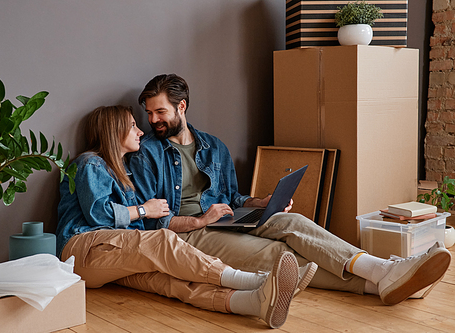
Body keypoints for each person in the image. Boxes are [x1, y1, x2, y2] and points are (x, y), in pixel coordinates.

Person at [128, 73, 452, 306]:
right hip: (190, 233)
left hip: (227, 217)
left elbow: (234, 197)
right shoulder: (147, 155)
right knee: (278, 256)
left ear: (181, 107)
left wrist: (261, 201)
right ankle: (382, 278)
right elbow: (151, 222)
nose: (153, 119)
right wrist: (200, 221)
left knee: (293, 222)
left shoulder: (213, 146)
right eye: (149, 113)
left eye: (160, 111)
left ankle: (383, 272)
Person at [55, 105, 307, 329]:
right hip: (82, 249)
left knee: (170, 280)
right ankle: (254, 281)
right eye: (133, 125)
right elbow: (99, 215)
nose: (141, 131)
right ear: (113, 130)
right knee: (162, 240)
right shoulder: (90, 163)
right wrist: (146, 209)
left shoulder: (125, 175)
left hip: (113, 254)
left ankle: (252, 302)